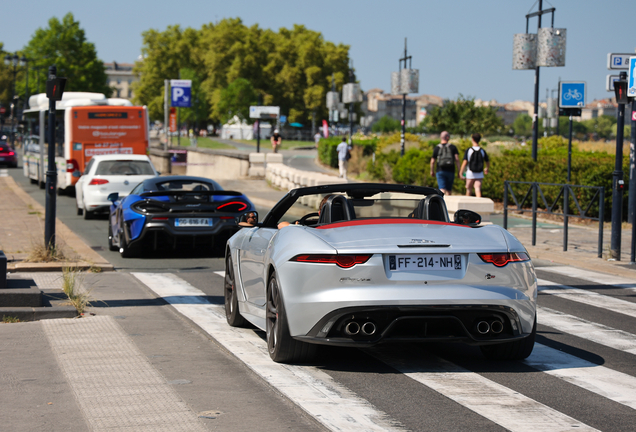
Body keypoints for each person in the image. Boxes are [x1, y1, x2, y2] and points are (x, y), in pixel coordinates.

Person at [459, 133, 490, 198]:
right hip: (479, 173)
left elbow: (465, 162)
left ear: (472, 139)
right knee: (477, 188)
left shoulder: (469, 150)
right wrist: (487, 168)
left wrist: (461, 172)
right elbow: (487, 161)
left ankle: (467, 204)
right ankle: (478, 205)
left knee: (469, 189)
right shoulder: (482, 150)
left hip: (470, 173)